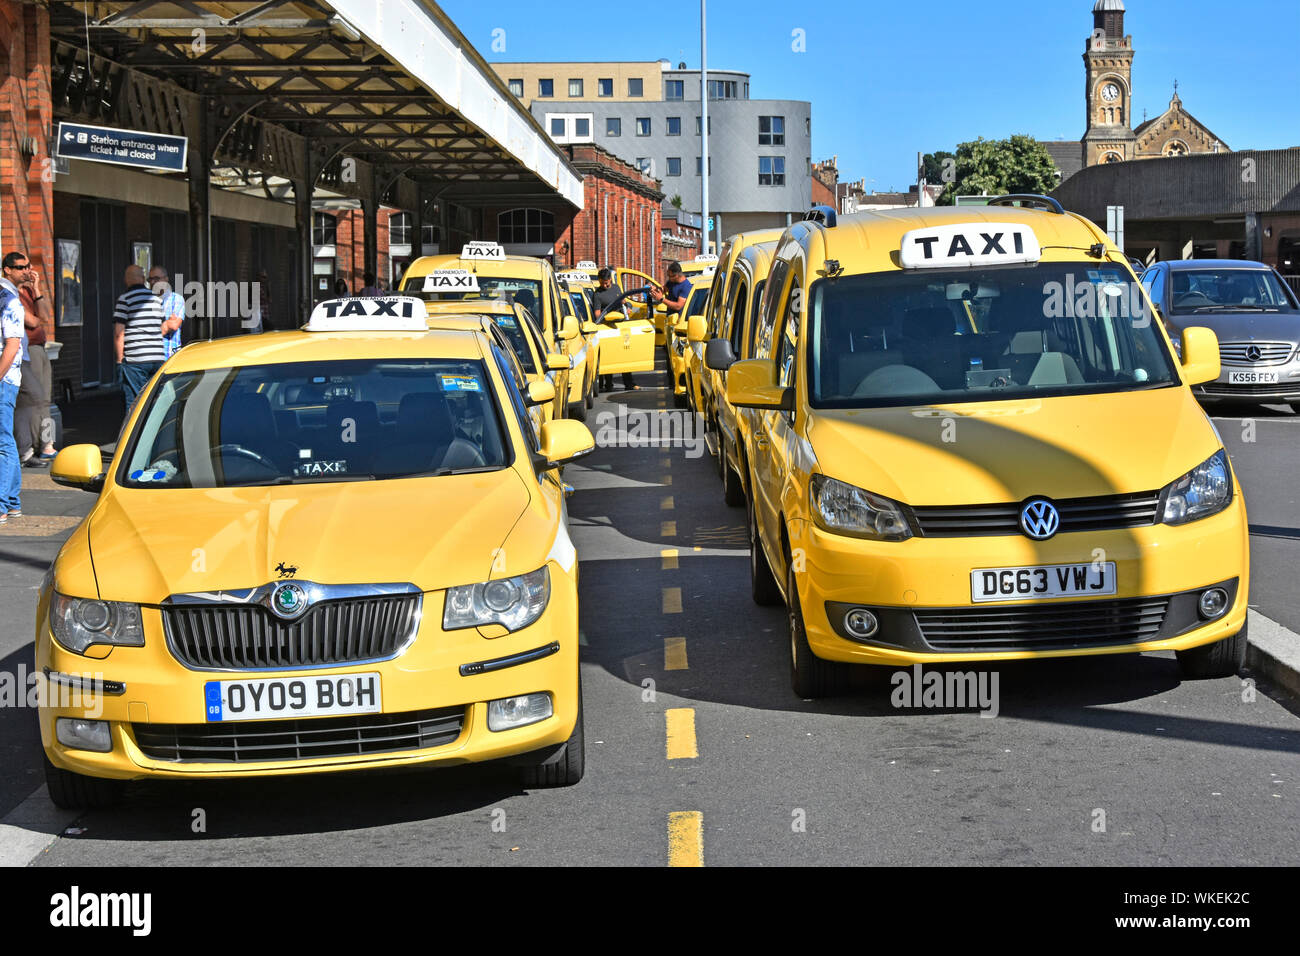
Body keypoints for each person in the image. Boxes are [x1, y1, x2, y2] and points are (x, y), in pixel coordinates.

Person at [3, 252, 56, 467]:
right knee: (38, 397)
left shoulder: (24, 291)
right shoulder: (8, 295)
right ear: (8, 269)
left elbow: (45, 316)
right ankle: (45, 444)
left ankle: (32, 448)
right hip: (27, 351)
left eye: (28, 266)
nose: (27, 270)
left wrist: (36, 289)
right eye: (21, 267)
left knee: (42, 400)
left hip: (38, 349)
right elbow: (35, 322)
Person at [114, 264, 166, 413]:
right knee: (154, 399)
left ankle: (135, 435)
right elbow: (161, 327)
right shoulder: (156, 300)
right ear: (143, 279)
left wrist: (119, 361)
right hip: (157, 358)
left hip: (136, 361)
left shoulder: (125, 299)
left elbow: (119, 333)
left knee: (135, 403)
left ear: (126, 280)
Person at [0, 257, 25, 524]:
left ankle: (2, 504)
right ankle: (12, 501)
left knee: (2, 441)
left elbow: (12, 345)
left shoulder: (10, 303)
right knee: (5, 439)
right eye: (21, 266)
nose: (27, 271)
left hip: (4, 381)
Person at [593, 269, 637, 392]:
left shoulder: (616, 288)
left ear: (610, 280)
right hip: (607, 327)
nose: (604, 285)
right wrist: (605, 318)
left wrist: (628, 307)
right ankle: (608, 384)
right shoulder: (597, 294)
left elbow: (624, 301)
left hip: (621, 326)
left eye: (606, 283)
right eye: (602, 283)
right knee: (609, 356)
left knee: (625, 355)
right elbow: (597, 314)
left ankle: (629, 383)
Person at [149, 264, 186, 359]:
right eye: (150, 279)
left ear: (166, 279)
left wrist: (149, 336)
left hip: (169, 359)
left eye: (156, 278)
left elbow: (173, 325)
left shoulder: (176, 299)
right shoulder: (146, 301)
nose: (153, 282)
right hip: (149, 360)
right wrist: (166, 325)